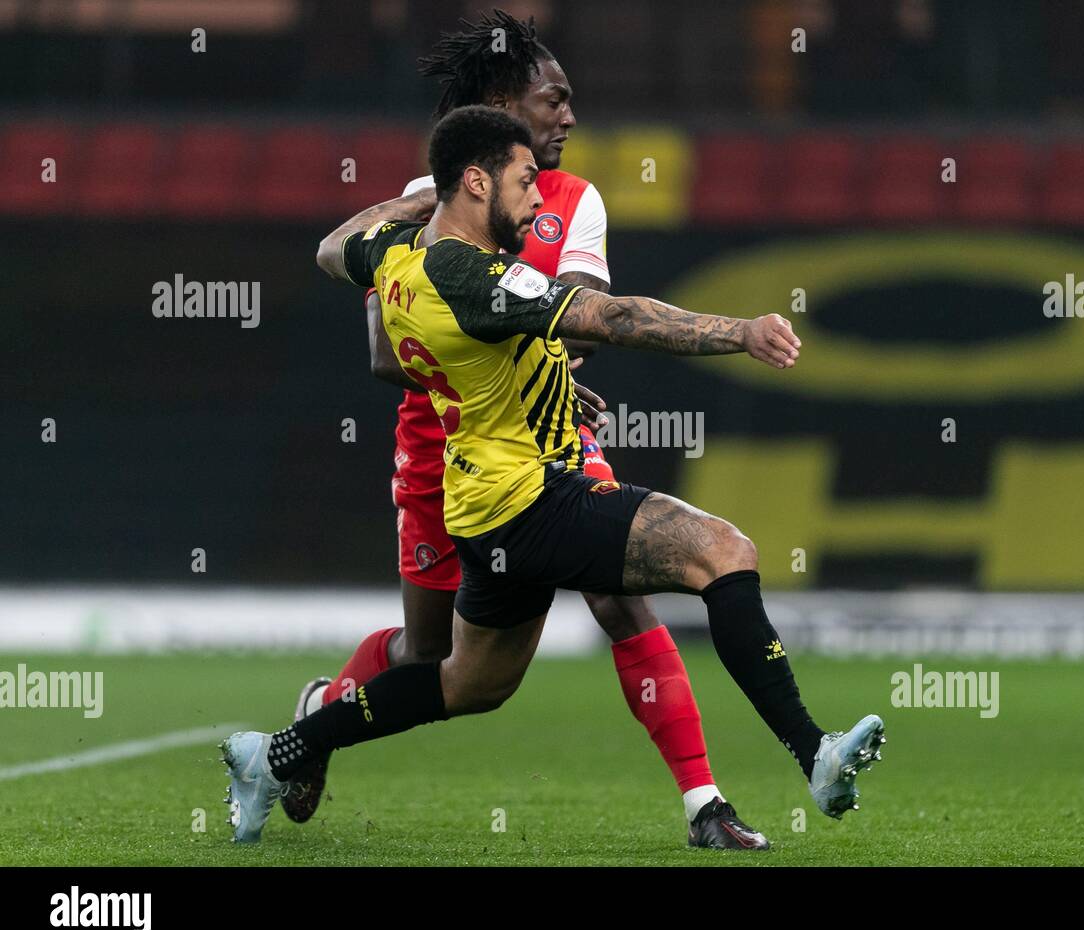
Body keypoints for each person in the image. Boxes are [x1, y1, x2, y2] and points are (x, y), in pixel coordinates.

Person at [221, 104, 885, 846]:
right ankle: (813, 751)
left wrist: (420, 201)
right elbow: (614, 317)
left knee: (465, 684)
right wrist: (742, 332)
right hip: (532, 498)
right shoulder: (474, 277)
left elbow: (330, 247)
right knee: (723, 551)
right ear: (477, 183)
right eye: (525, 181)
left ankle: (277, 753)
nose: (540, 200)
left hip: (478, 506)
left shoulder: (397, 256)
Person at [282, 11, 764, 849]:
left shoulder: (574, 199)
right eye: (555, 99)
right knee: (433, 656)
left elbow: (582, 316)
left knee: (621, 597)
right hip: (438, 442)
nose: (570, 116)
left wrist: (538, 358)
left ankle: (704, 802)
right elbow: (385, 356)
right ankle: (320, 717)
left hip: (546, 430)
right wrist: (494, 342)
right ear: (505, 105)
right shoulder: (430, 201)